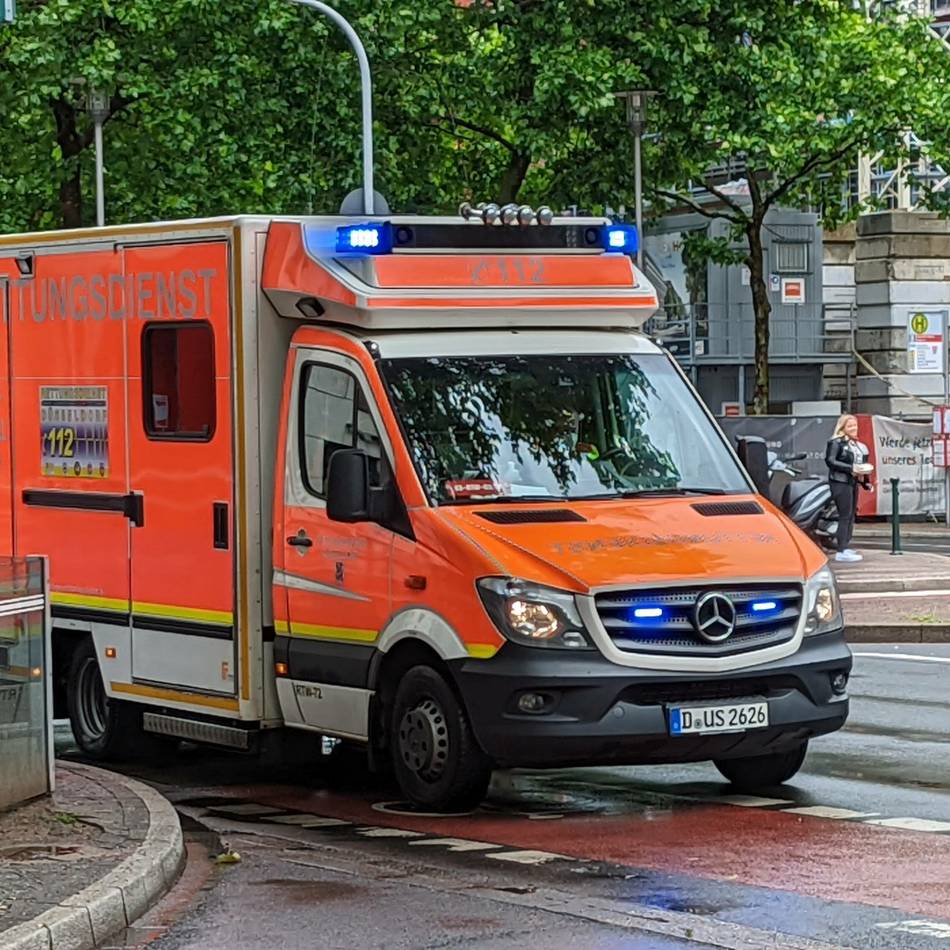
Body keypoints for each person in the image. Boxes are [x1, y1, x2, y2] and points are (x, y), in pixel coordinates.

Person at [825, 414, 872, 563]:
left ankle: (845, 545)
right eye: (850, 426)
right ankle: (841, 550)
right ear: (843, 427)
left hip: (852, 482)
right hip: (840, 482)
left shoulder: (857, 445)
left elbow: (862, 464)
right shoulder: (836, 443)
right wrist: (850, 468)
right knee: (844, 515)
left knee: (851, 515)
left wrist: (866, 482)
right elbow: (830, 461)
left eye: (855, 425)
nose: (854, 428)